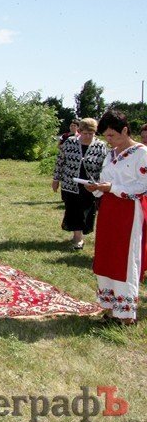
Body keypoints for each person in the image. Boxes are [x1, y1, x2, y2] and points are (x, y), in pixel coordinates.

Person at [84, 110, 147, 326]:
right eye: (106, 137)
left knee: (125, 258)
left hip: (128, 211)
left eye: (112, 135)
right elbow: (105, 180)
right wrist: (96, 187)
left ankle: (126, 313)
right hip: (109, 209)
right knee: (107, 255)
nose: (108, 141)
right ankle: (111, 307)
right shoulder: (111, 154)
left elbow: (143, 186)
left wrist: (115, 188)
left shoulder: (141, 153)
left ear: (125, 130)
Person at [52, 118, 107, 249]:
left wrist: (101, 183)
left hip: (90, 185)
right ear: (79, 131)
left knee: (86, 210)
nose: (88, 136)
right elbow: (60, 161)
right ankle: (78, 238)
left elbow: (105, 166)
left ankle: (79, 235)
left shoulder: (101, 146)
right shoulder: (70, 142)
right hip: (70, 184)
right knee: (73, 209)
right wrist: (56, 179)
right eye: (85, 133)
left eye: (91, 133)